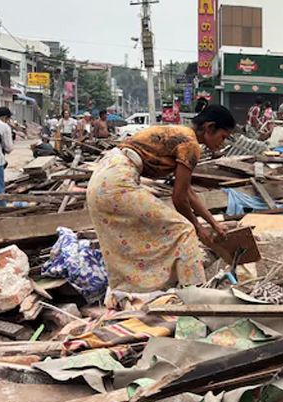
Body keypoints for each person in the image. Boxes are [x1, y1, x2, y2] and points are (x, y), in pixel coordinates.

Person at [85, 105, 236, 297]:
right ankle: (196, 297)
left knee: (140, 236)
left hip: (103, 177)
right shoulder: (190, 144)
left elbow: (188, 192)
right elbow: (179, 198)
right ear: (209, 127)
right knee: (184, 230)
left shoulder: (182, 134)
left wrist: (214, 224)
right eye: (223, 137)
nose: (222, 143)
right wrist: (199, 229)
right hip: (117, 181)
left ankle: (133, 292)